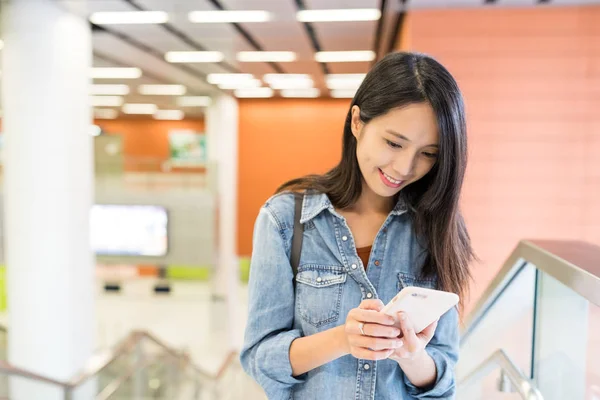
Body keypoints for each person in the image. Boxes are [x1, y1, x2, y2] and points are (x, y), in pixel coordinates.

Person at [240, 51, 474, 399]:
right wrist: (343, 339)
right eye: (394, 143)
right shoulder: (286, 219)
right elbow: (260, 359)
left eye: (429, 153)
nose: (404, 167)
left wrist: (412, 357)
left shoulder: (438, 228)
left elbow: (444, 378)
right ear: (357, 123)